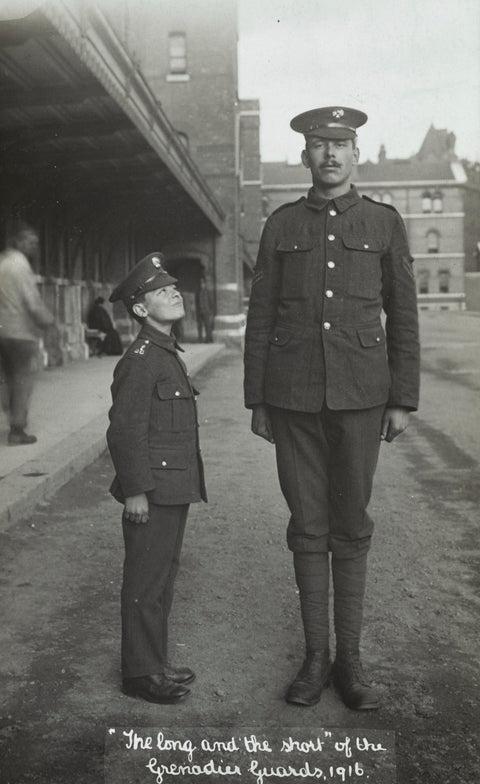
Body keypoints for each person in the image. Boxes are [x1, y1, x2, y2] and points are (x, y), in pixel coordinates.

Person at [244, 107, 420, 710]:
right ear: (304, 155)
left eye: (341, 144)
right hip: (291, 396)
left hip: (361, 396)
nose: (330, 155)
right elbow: (260, 315)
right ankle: (315, 656)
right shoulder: (281, 224)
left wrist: (402, 398)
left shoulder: (384, 223)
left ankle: (351, 660)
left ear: (356, 154)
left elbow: (403, 315)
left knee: (351, 525)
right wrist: (257, 399)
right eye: (319, 145)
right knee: (306, 525)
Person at [106, 252, 206, 704]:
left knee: (162, 575)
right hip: (153, 489)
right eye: (160, 290)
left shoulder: (166, 352)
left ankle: (155, 662)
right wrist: (136, 492)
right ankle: (141, 675)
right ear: (141, 310)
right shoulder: (142, 359)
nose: (173, 291)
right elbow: (124, 430)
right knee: (146, 580)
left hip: (173, 484)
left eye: (173, 286)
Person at [0, 223, 54, 445]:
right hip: (20, 332)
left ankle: (12, 418)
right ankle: (17, 430)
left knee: (6, 379)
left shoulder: (2, 263)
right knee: (22, 380)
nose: (34, 246)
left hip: (2, 332)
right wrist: (48, 321)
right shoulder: (20, 266)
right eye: (30, 242)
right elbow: (32, 302)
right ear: (18, 241)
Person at [195, 276, 214, 343]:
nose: (201, 284)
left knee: (207, 326)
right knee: (199, 326)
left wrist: (211, 312)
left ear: (205, 284)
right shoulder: (198, 292)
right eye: (200, 283)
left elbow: (211, 302)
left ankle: (208, 339)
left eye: (202, 283)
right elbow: (196, 304)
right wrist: (197, 312)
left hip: (206, 311)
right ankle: (200, 339)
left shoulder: (208, 292)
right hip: (200, 312)